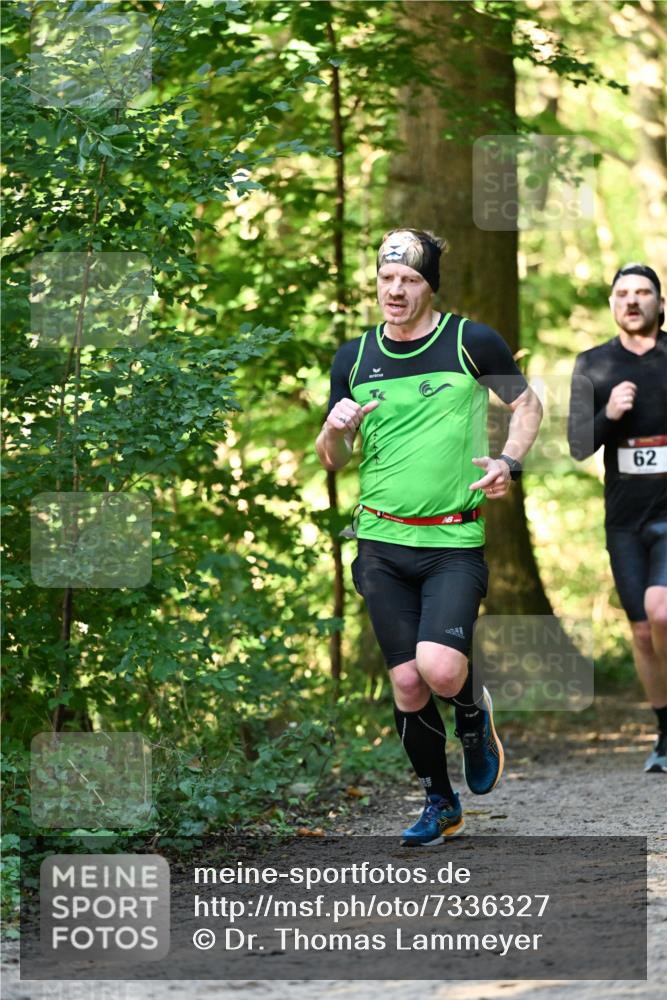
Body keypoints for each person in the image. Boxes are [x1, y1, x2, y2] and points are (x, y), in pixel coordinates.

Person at [316, 229, 543, 845]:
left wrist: (508, 462)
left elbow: (528, 406)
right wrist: (334, 430)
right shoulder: (354, 358)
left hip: (452, 541)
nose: (395, 290)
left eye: (409, 280)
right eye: (387, 279)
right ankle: (440, 803)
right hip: (381, 545)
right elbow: (331, 458)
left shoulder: (470, 341)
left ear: (429, 285)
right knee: (408, 682)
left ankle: (473, 714)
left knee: (440, 669)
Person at [568, 262, 667, 774]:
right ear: (612, 305)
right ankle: (664, 731)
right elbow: (577, 445)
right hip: (624, 519)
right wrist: (609, 414)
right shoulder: (593, 365)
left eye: (643, 292)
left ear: (659, 302)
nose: (632, 301)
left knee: (663, 612)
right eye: (623, 293)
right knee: (644, 633)